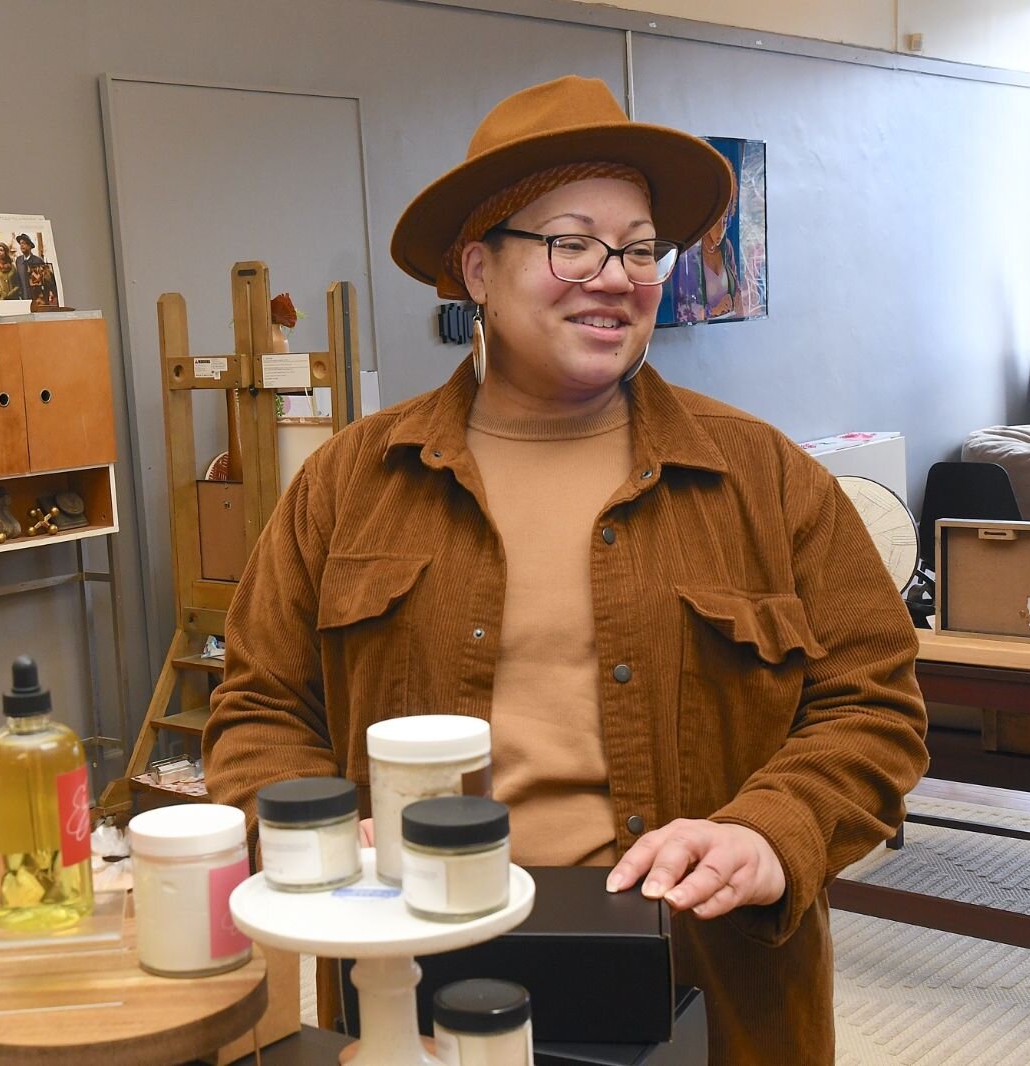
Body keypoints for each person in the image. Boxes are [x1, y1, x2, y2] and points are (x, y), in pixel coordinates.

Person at [203, 76, 927, 1064]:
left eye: (639, 250)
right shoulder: (349, 484)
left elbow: (873, 703)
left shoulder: (764, 478)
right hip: (415, 981)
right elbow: (259, 707)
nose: (615, 276)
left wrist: (773, 829)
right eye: (571, 243)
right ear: (477, 271)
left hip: (703, 987)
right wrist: (312, 835)